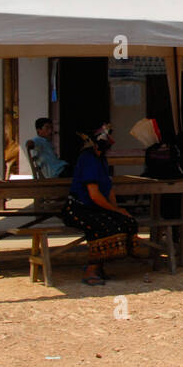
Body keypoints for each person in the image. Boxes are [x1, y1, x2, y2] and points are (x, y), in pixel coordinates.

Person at [60, 123, 137, 286]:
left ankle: (100, 266)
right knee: (105, 226)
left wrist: (117, 211)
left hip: (95, 207)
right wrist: (115, 210)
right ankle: (91, 270)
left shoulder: (101, 159)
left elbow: (108, 189)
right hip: (78, 208)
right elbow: (94, 195)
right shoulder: (87, 158)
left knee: (126, 221)